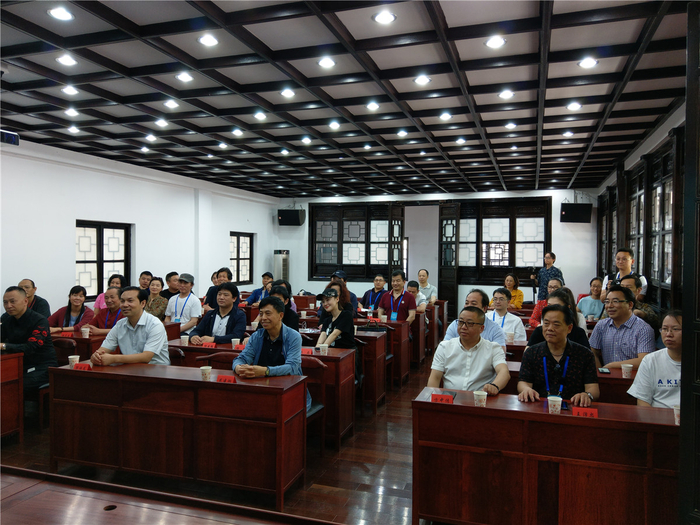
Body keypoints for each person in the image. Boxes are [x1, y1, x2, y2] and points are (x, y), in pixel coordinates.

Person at [232, 297, 311, 410]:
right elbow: (241, 359)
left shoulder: (293, 336)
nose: (263, 318)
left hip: (290, 390)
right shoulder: (257, 336)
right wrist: (238, 368)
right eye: (261, 314)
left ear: (280, 315)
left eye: (268, 313)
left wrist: (265, 371)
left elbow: (292, 367)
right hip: (262, 388)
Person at [517, 305, 599, 406]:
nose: (549, 328)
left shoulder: (584, 354)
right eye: (546, 323)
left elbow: (593, 388)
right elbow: (523, 382)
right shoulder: (531, 353)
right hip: (538, 405)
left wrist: (587, 395)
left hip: (573, 406)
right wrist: (526, 389)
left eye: (556, 324)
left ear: (569, 328)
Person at [427, 306, 510, 394]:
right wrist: (432, 397)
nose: (463, 327)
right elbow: (435, 377)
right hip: (451, 399)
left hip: (480, 399)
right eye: (461, 322)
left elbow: (504, 372)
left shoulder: (493, 348)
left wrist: (494, 386)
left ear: (481, 328)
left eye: (470, 323)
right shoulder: (445, 346)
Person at [90, 287, 170, 366]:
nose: (125, 305)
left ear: (143, 303)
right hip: (130, 368)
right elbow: (103, 349)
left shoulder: (155, 324)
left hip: (156, 369)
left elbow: (146, 357)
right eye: (122, 301)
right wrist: (96, 356)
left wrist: (113, 358)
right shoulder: (120, 325)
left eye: (130, 301)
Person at [1, 286, 57, 391]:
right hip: (19, 365)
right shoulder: (7, 320)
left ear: (25, 301)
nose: (8, 306)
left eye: (12, 301)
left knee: (14, 385)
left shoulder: (39, 320)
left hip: (42, 366)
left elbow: (30, 347)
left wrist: (4, 346)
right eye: (5, 302)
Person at [589, 285, 656, 369]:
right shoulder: (601, 325)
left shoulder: (643, 329)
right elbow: (592, 352)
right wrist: (600, 373)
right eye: (607, 301)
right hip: (607, 375)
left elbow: (644, 360)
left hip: (634, 376)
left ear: (630, 305)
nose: (609, 306)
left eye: (615, 301)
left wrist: (612, 366)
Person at [627, 310, 682, 409]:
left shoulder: (695, 360)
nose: (669, 334)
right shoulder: (650, 360)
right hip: (657, 415)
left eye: (675, 329)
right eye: (664, 329)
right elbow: (642, 401)